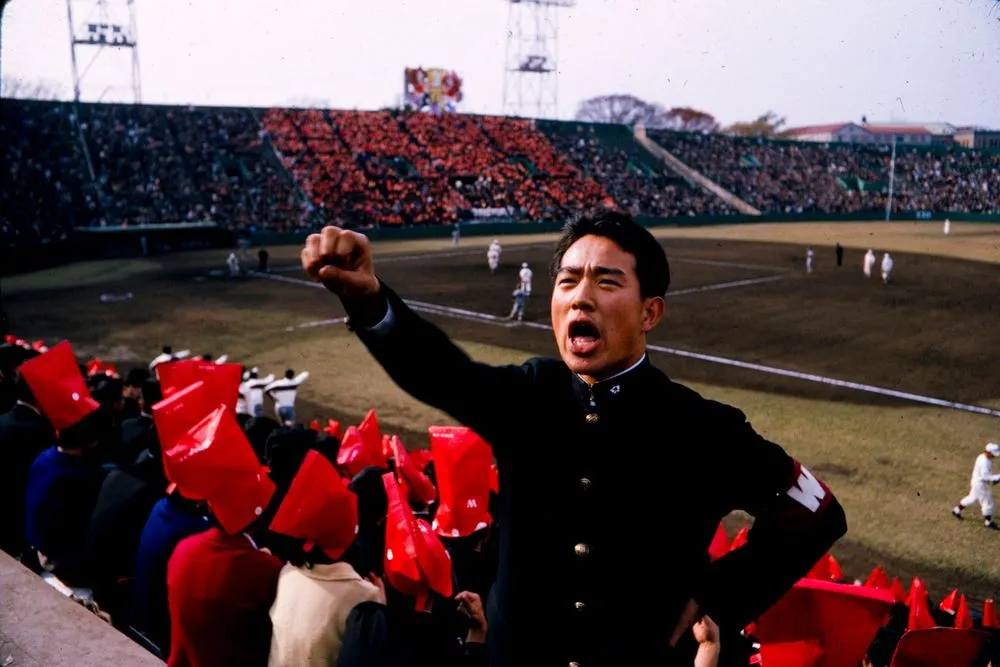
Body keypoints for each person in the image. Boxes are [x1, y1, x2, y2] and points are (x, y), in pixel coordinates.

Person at [300, 210, 848, 667]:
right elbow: (442, 372)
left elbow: (817, 513)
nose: (581, 297)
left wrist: (716, 596)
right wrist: (370, 300)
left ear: (650, 311)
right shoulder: (530, 395)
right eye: (568, 280)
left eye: (607, 281)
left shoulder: (704, 428)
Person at [952, 442, 1000, 529]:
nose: (994, 456)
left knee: (972, 498)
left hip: (976, 482)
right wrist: (998, 477)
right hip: (981, 485)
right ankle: (988, 522)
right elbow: (985, 477)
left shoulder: (981, 457)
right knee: (988, 502)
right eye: (993, 454)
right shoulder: (984, 462)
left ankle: (956, 510)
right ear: (988, 452)